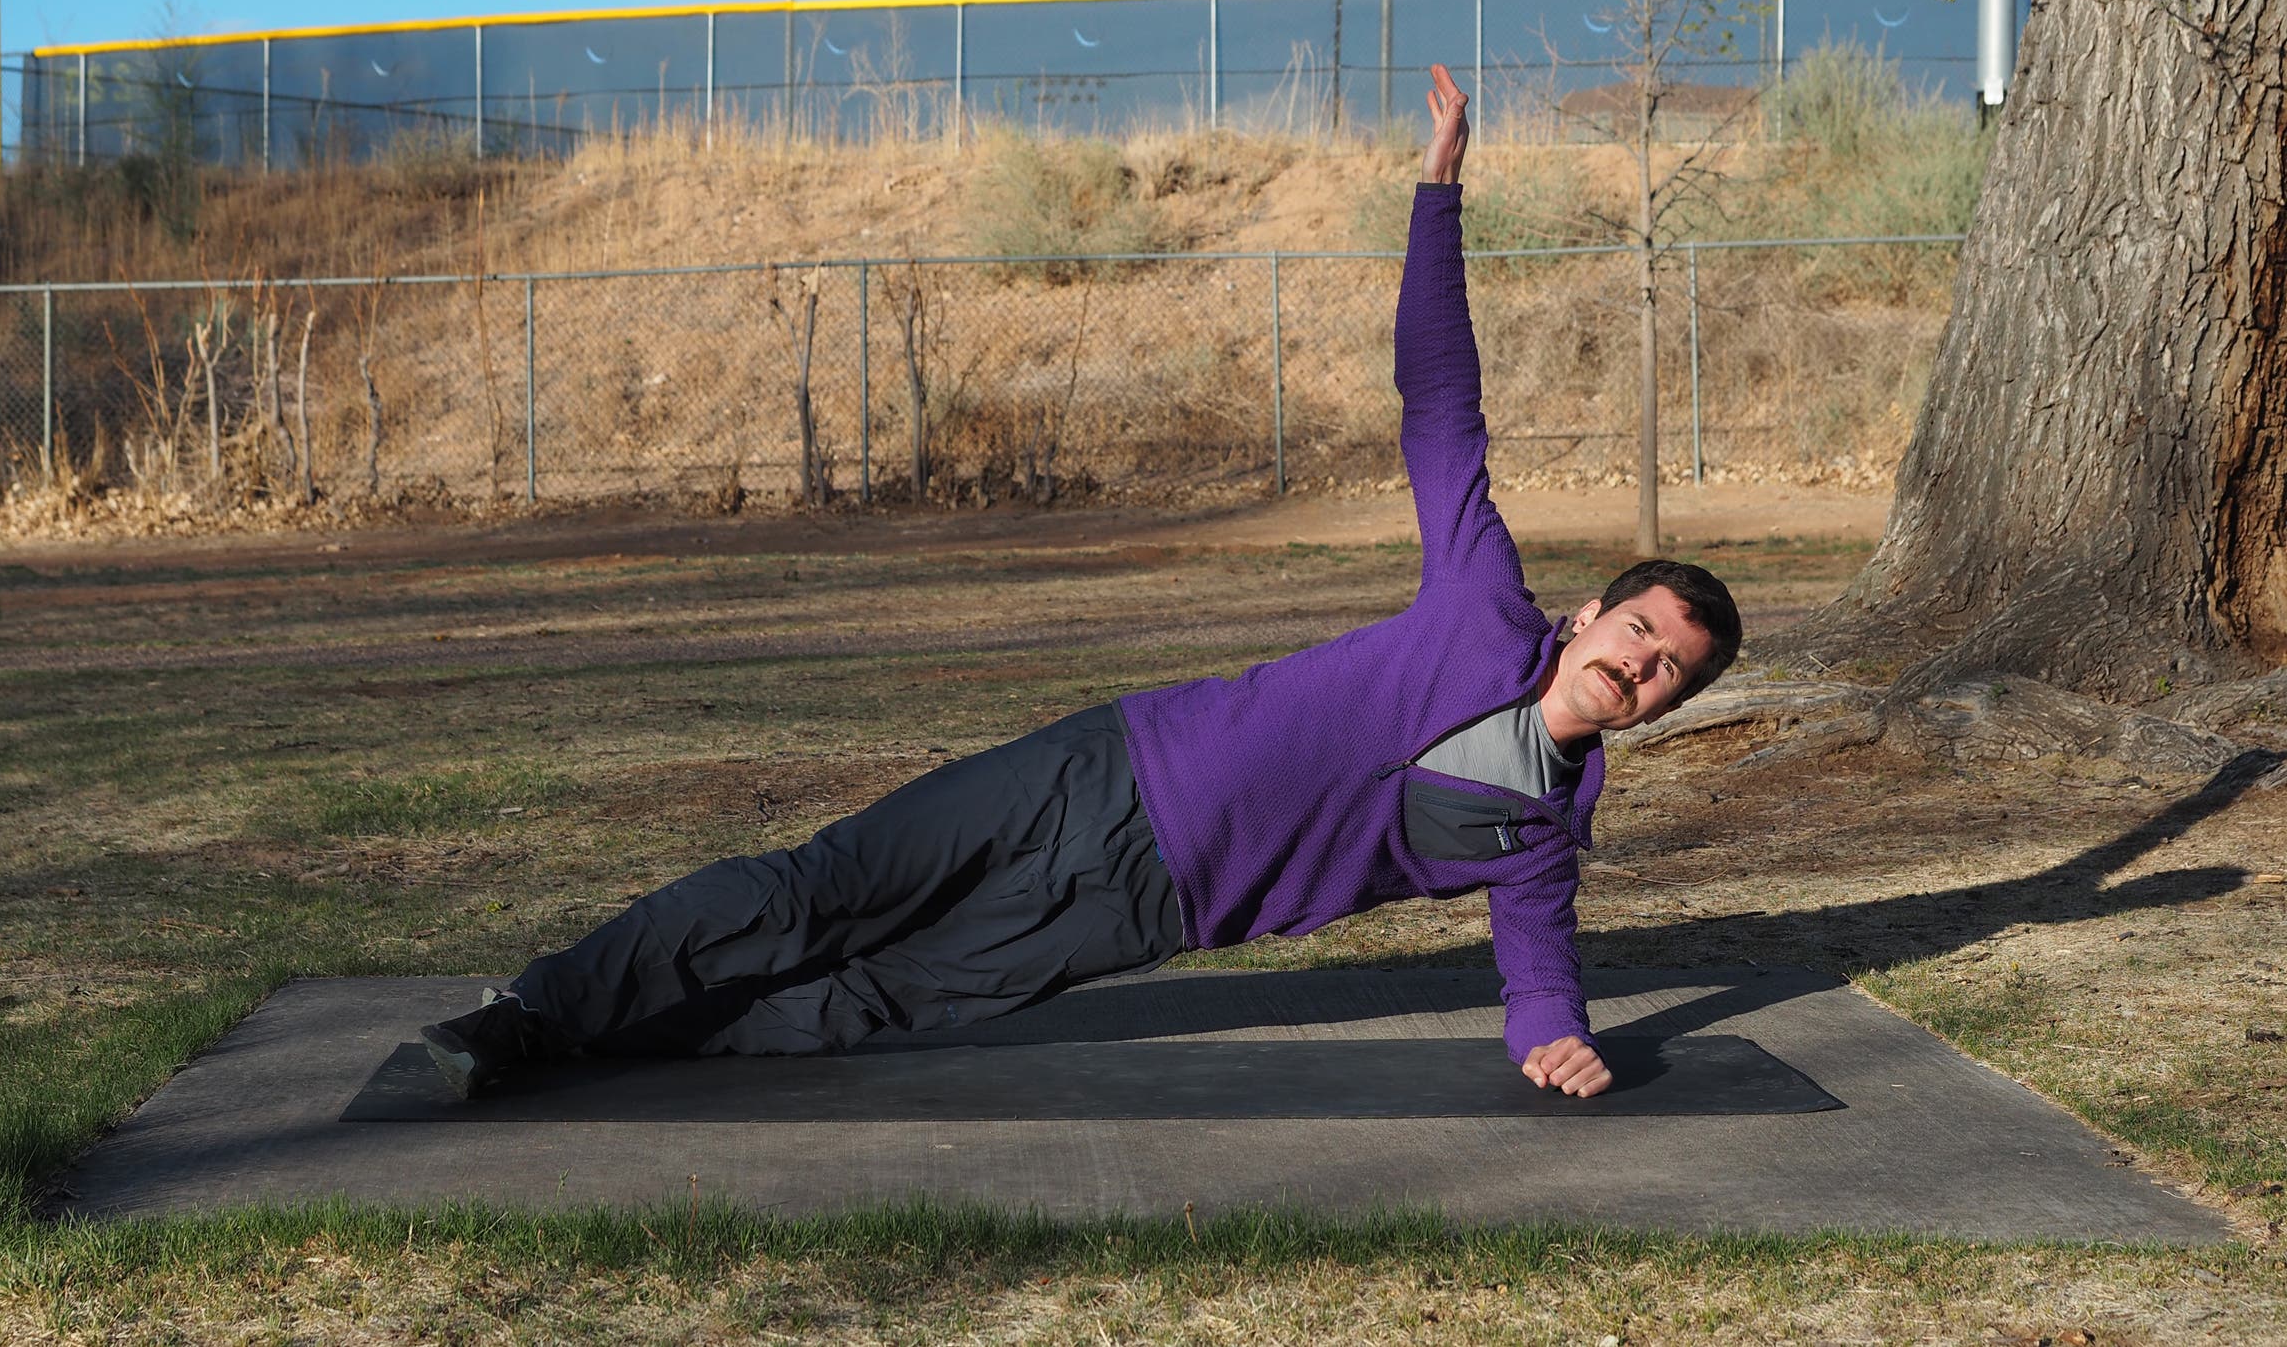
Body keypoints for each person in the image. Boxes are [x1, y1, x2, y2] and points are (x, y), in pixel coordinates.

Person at [421, 64, 1741, 1104]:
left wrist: (1557, 1035)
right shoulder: (1479, 602)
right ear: (1588, 616)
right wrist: (1438, 197)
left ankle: (598, 1049)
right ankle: (536, 1007)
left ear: (1662, 704)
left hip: (1143, 907)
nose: (1638, 661)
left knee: (868, 1001)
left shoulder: (1537, 836)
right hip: (1103, 767)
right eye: (1638, 628)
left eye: (1665, 667)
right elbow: (1441, 406)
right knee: (818, 890)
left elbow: (1536, 965)